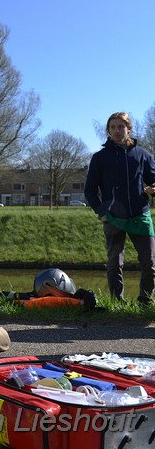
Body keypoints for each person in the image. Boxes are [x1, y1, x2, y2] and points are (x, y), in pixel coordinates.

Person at [85, 112, 155, 306]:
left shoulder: (142, 155)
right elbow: (89, 190)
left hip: (140, 215)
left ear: (129, 129)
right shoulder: (99, 158)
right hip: (113, 217)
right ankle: (118, 304)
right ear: (108, 130)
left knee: (150, 263)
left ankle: (145, 303)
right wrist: (101, 213)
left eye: (121, 127)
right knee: (115, 264)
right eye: (113, 127)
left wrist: (153, 189)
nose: (117, 130)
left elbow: (153, 181)